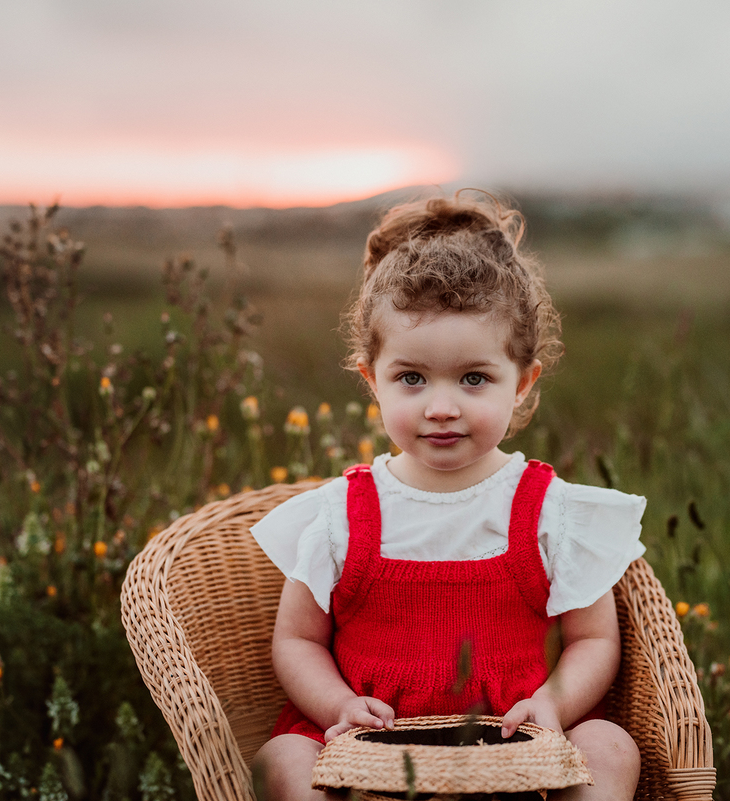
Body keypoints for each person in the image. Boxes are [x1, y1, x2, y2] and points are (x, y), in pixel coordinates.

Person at [251, 191, 644, 800]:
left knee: (612, 749)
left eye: (474, 379)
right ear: (371, 380)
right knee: (282, 760)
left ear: (522, 382)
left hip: (516, 756)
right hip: (367, 757)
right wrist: (339, 704)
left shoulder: (549, 510)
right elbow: (297, 639)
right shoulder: (340, 514)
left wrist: (552, 705)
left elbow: (593, 638)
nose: (440, 407)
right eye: (411, 378)